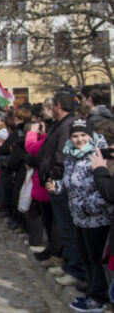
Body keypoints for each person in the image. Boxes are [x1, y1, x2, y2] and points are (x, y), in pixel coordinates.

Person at [46, 119, 110, 309]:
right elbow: (70, 182)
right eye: (75, 136)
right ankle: (91, 290)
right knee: (86, 257)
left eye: (83, 135)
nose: (79, 139)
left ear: (91, 136)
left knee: (96, 259)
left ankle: (99, 297)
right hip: (78, 218)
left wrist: (85, 207)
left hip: (96, 219)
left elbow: (104, 190)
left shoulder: (98, 155)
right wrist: (57, 186)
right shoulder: (71, 155)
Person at [38, 91, 84, 286]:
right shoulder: (60, 124)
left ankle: (75, 269)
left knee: (67, 228)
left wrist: (53, 174)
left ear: (58, 106)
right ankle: (68, 264)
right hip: (56, 180)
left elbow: (61, 155)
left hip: (60, 181)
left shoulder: (67, 125)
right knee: (63, 226)